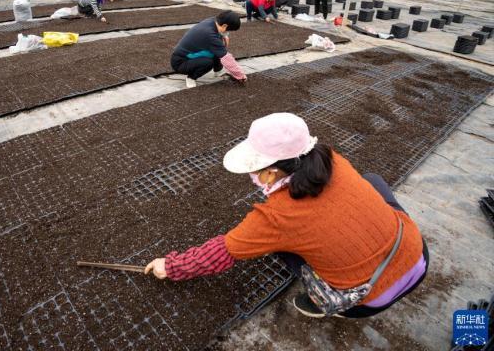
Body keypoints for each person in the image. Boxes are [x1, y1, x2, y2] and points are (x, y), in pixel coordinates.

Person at [145, 113, 428, 319]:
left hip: (367, 299)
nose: (253, 176)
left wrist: (170, 267)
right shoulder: (331, 158)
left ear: (270, 172)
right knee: (372, 180)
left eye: (255, 169)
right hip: (416, 252)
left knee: (283, 250)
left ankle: (323, 303)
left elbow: (222, 251)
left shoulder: (275, 219)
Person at [170, 10, 247, 89]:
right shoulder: (210, 34)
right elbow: (226, 58)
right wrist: (240, 75)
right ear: (224, 26)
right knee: (208, 62)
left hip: (191, 55)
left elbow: (220, 47)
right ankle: (191, 78)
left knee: (218, 48)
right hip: (180, 62)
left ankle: (218, 71)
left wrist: (224, 36)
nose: (228, 33)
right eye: (228, 30)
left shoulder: (213, 21)